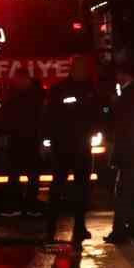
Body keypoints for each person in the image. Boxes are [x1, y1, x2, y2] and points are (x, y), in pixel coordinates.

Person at [44, 53, 101, 244]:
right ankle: (50, 228)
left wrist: (98, 130)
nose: (83, 70)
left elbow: (98, 112)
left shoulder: (91, 89)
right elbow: (49, 116)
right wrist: (47, 141)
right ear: (73, 68)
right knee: (57, 189)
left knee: (82, 190)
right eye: (80, 67)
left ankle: (79, 227)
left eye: (85, 67)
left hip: (83, 147)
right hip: (63, 147)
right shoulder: (59, 89)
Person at [104, 55, 134, 245]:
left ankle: (120, 231)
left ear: (123, 75)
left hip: (129, 151)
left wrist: (113, 105)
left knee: (123, 192)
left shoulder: (129, 96)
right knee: (129, 191)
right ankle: (133, 227)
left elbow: (124, 125)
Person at [2, 67, 46, 212]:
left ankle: (29, 202)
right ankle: (19, 202)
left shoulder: (37, 95)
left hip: (31, 138)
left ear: (26, 79)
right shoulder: (16, 93)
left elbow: (42, 117)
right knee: (15, 173)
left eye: (19, 80)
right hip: (17, 138)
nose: (18, 82)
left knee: (31, 173)